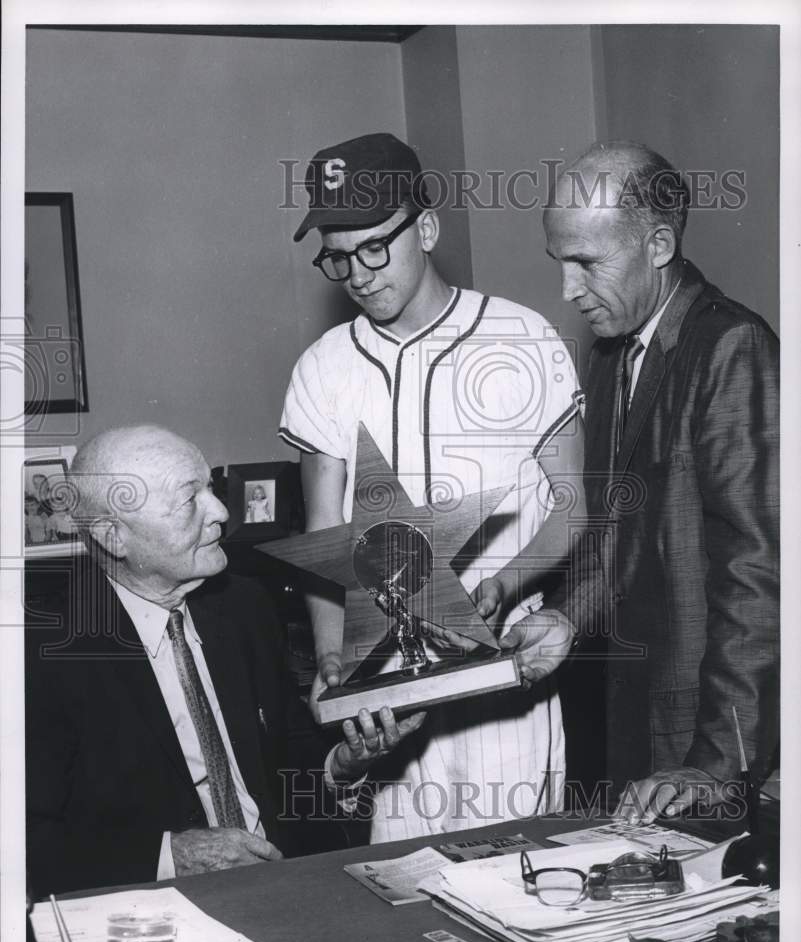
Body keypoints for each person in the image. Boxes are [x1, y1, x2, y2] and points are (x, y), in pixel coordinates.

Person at [280, 133, 585, 842]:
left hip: (504, 668)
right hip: (387, 691)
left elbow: (572, 506)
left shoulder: (522, 336)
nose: (356, 273)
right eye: (336, 253)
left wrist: (502, 584)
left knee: (517, 888)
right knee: (403, 899)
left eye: (374, 247)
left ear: (425, 228)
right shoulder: (324, 367)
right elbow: (326, 539)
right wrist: (334, 662)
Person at [505, 141, 779, 823]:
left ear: (657, 244)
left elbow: (759, 572)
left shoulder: (729, 346)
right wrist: (568, 618)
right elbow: (626, 535)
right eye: (559, 263)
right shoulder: (609, 356)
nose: (567, 290)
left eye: (586, 263)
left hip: (712, 745)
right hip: (639, 723)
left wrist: (716, 766)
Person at [25, 425, 420, 896]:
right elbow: (24, 842)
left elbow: (287, 758)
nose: (222, 512)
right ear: (115, 538)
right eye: (190, 500)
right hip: (152, 916)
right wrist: (169, 857)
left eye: (209, 488)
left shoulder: (243, 607)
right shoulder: (43, 658)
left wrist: (341, 763)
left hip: (284, 885)